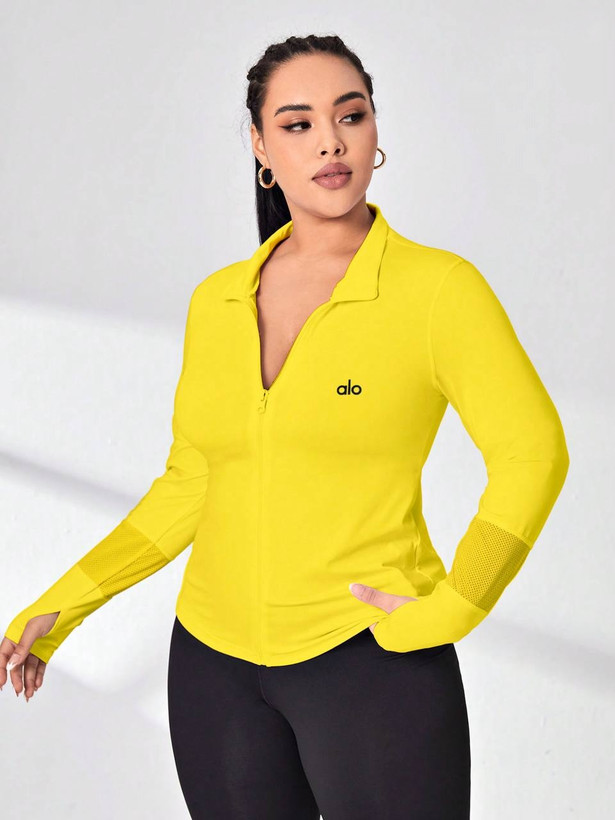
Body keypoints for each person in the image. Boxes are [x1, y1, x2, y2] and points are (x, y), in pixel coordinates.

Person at [1, 33, 569, 820]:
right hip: (213, 672)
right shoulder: (217, 301)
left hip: (369, 662)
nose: (330, 142)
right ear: (260, 148)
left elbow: (532, 452)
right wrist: (60, 608)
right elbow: (191, 484)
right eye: (297, 124)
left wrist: (454, 606)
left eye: (350, 115)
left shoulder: (437, 290)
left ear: (374, 132)